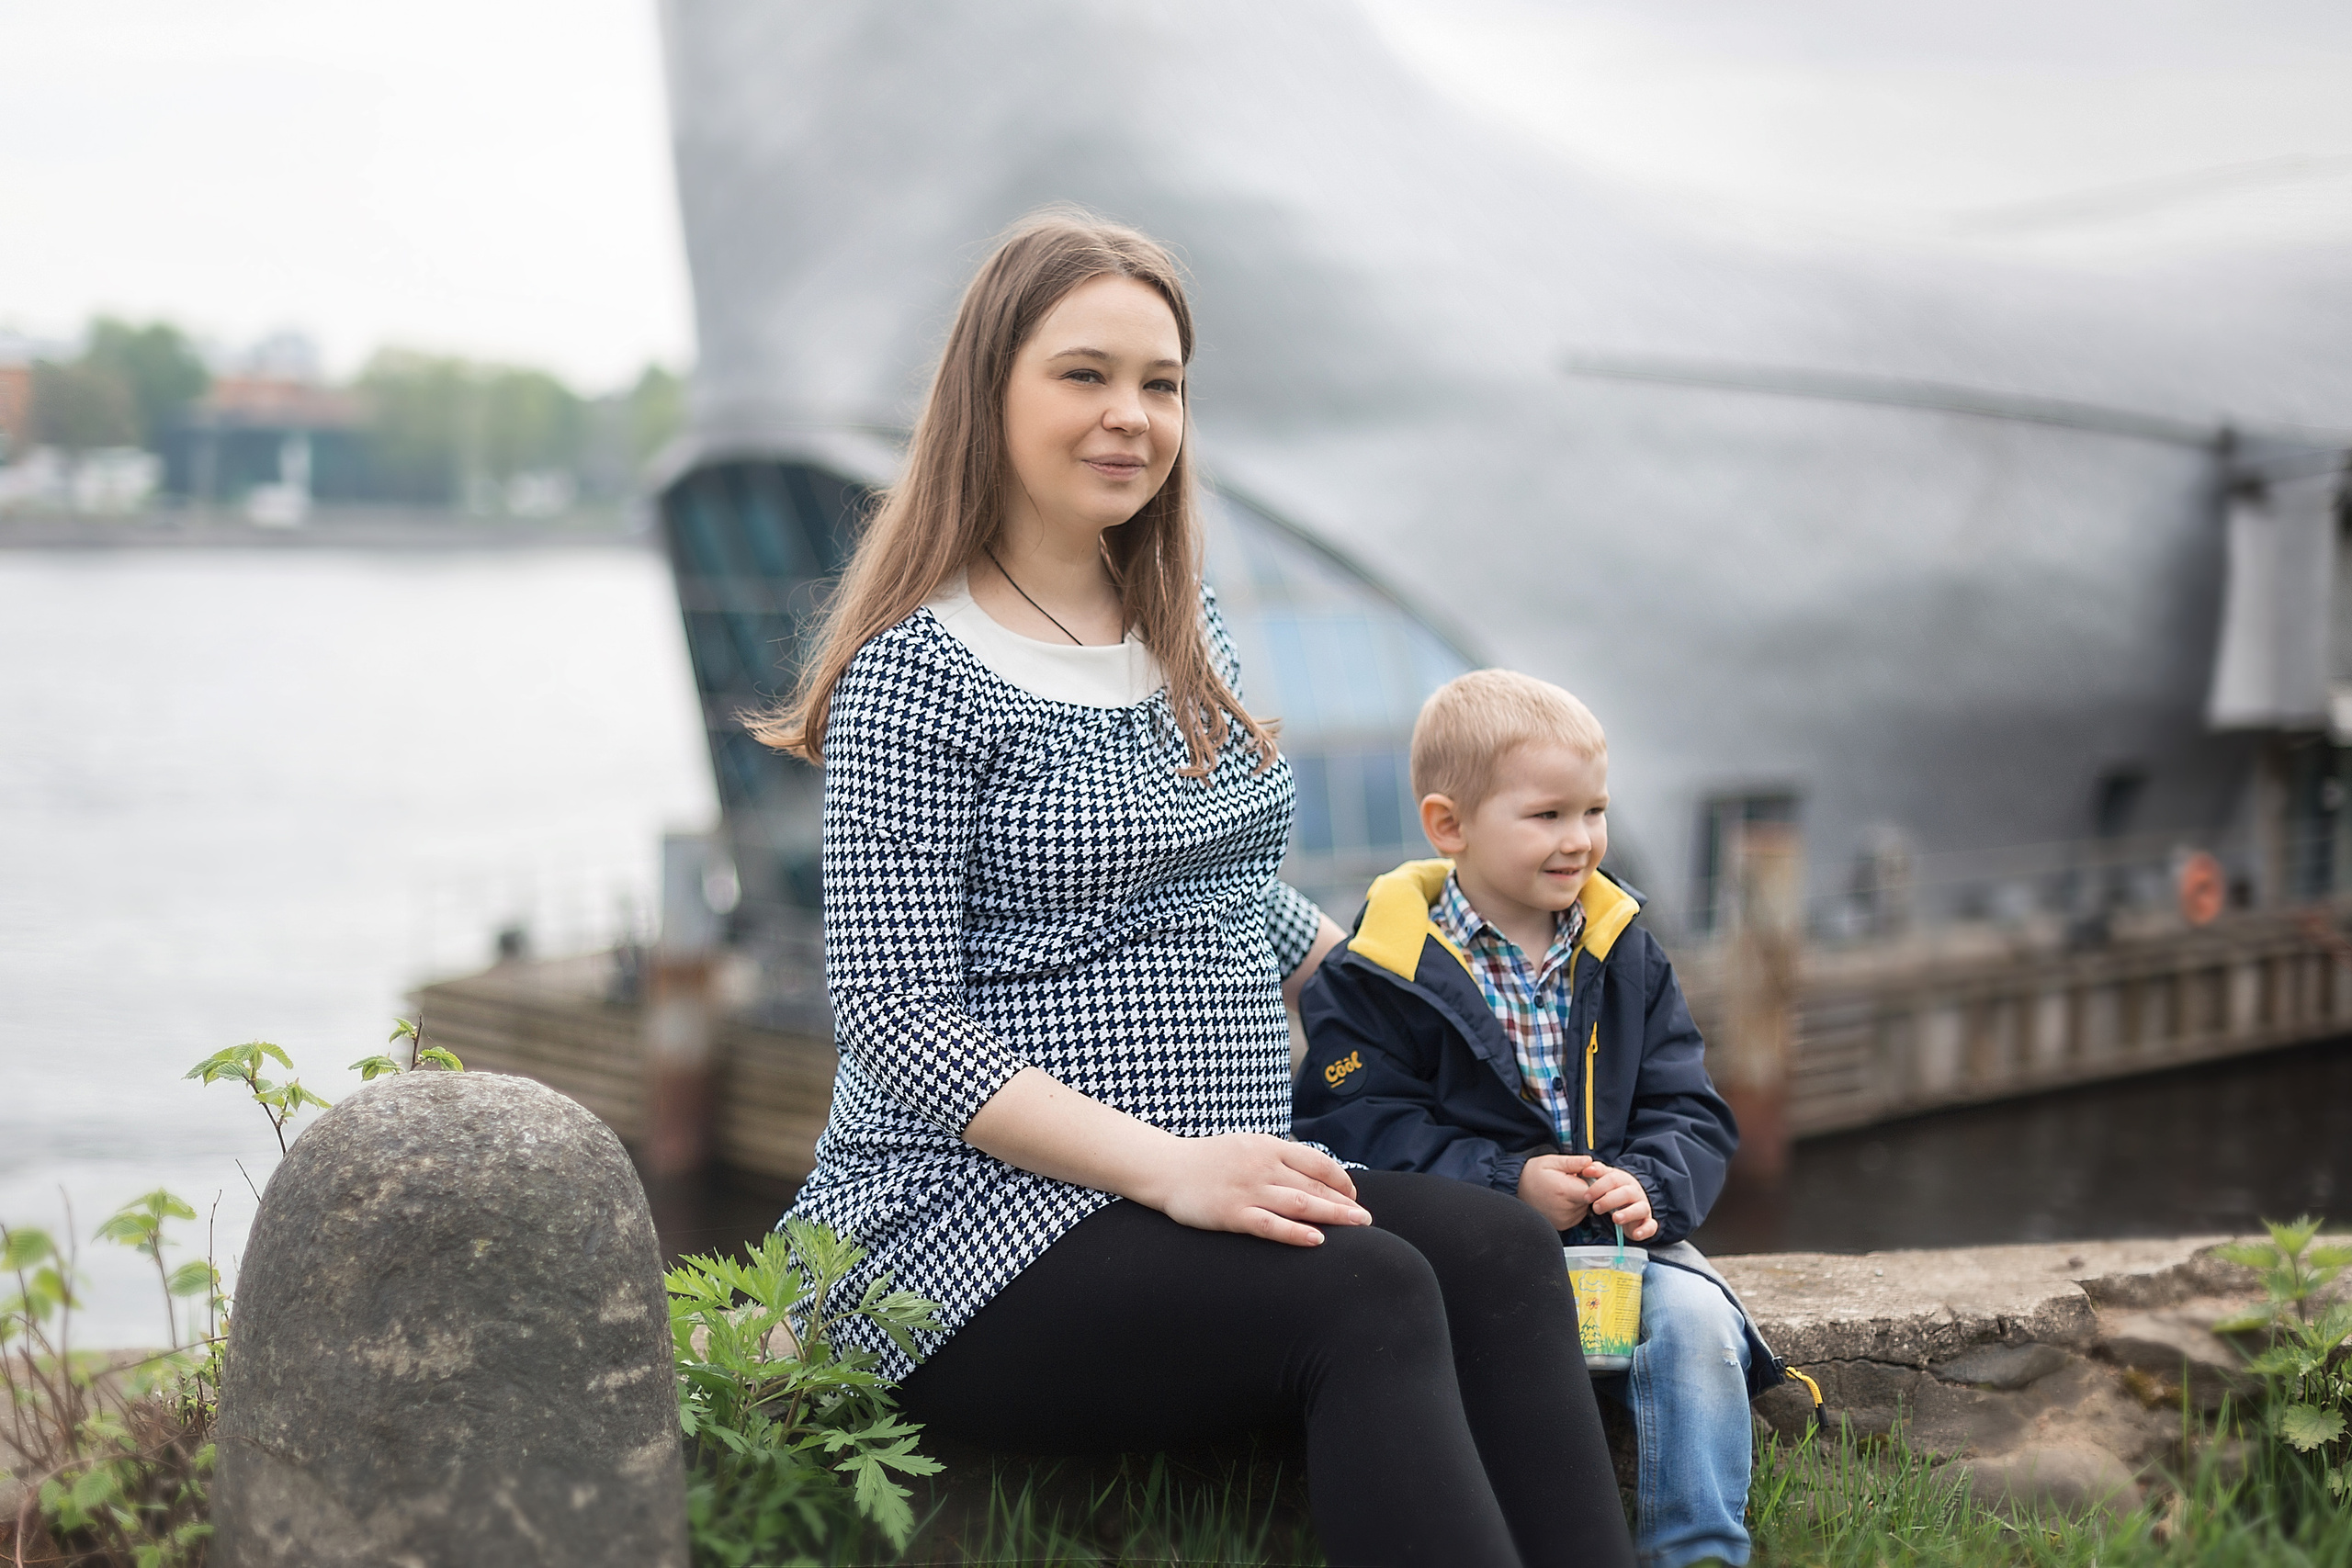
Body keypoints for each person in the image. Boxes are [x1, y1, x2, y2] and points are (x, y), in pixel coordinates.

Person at [754, 212, 1635, 1568]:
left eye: (1160, 384)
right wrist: (1172, 1170)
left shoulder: (1179, 618)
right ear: (990, 391)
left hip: (1211, 1185)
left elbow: (1237, 890)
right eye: (1085, 375)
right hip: (966, 1229)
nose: (1130, 417)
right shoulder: (913, 676)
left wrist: (1455, 1046)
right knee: (1372, 1295)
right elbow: (893, 1013)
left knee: (1507, 1246)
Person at [1293, 670, 1800, 1568]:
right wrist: (1506, 1183)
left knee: (1695, 1327)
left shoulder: (1624, 950)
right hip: (1475, 1265)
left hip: (1620, 1256)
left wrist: (1651, 1183)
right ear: (1449, 825)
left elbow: (1687, 1105)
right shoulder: (1374, 974)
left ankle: (1699, 1553)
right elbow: (1357, 1127)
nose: (1581, 841)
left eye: (1594, 811)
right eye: (1547, 816)